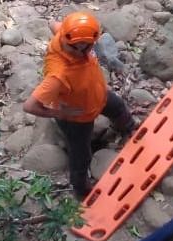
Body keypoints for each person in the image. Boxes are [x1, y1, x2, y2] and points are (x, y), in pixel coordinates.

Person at [23, 12, 135, 199]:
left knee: (118, 108)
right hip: (78, 117)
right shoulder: (58, 75)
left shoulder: (66, 33)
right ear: (66, 42)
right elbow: (29, 106)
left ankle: (129, 129)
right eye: (76, 48)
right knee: (81, 155)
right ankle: (82, 190)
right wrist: (60, 113)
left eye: (87, 47)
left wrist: (49, 20)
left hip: (98, 96)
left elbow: (54, 24)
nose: (82, 52)